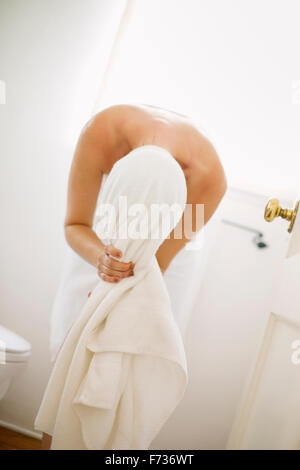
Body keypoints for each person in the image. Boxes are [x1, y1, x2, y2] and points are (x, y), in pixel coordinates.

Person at [41, 103, 227, 449]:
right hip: (101, 239)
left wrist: (120, 297)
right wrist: (100, 258)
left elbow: (156, 262)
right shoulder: (102, 131)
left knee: (129, 360)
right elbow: (75, 223)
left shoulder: (209, 177)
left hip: (164, 257)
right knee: (71, 351)